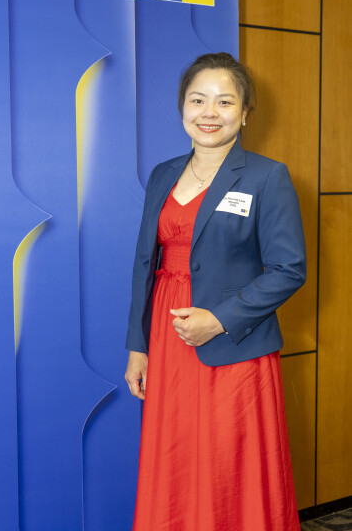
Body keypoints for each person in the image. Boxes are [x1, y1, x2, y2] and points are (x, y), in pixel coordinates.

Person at [124, 52, 306, 531]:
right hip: (168, 339)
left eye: (225, 102)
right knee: (176, 456)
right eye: (197, 99)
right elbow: (145, 264)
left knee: (229, 463)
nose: (209, 112)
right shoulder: (162, 174)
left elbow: (289, 270)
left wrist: (219, 319)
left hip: (233, 343)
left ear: (244, 113)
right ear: (182, 107)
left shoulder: (267, 176)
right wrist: (138, 346)